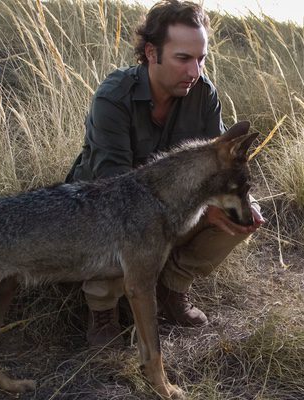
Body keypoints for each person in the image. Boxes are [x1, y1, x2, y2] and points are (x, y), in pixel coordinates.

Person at [66, 0, 264, 347]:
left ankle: (172, 289)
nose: (195, 72)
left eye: (201, 59)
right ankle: (103, 309)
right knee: (125, 220)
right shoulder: (114, 97)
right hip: (107, 207)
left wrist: (227, 206)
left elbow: (218, 165)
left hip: (173, 208)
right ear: (151, 53)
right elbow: (111, 189)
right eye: (183, 58)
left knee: (245, 213)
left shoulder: (203, 94)